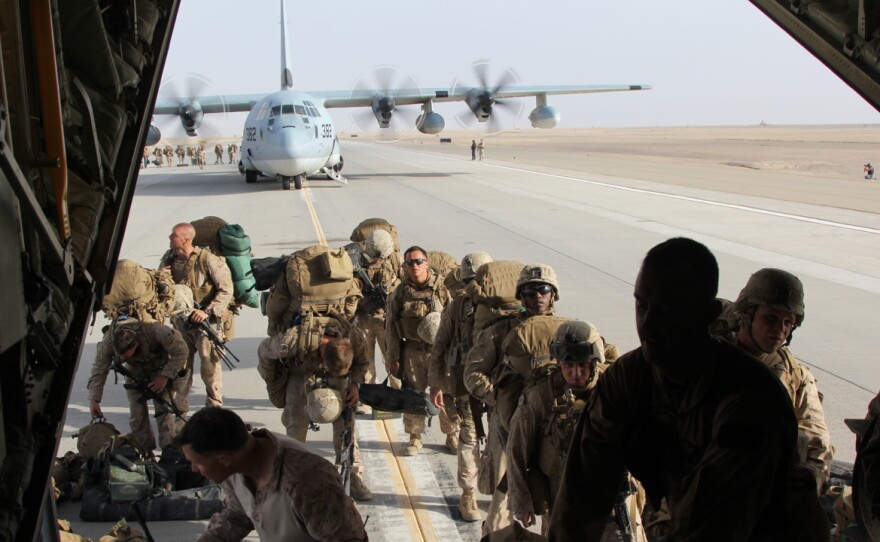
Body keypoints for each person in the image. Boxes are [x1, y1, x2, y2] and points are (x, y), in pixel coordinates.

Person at [548, 237, 829, 542]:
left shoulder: (752, 397)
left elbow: (718, 525)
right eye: (642, 305)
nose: (649, 324)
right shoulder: (629, 377)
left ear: (706, 315)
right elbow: (581, 497)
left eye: (669, 311)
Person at [507, 320, 647, 540]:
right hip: (562, 496)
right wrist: (521, 499)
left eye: (583, 365)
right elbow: (517, 447)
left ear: (594, 363)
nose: (576, 373)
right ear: (559, 363)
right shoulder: (541, 395)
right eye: (568, 366)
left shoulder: (614, 388)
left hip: (612, 494)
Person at [464, 263, 564, 537]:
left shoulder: (565, 330)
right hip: (508, 430)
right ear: (521, 295)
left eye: (544, 289)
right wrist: (497, 396)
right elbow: (472, 373)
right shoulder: (499, 331)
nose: (538, 296)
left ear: (553, 294)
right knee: (501, 506)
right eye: (530, 291)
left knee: (556, 509)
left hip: (552, 431)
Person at [178, 407, 368, 542]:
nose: (194, 469)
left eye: (197, 463)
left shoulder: (307, 480)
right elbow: (238, 516)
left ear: (224, 459)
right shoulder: (235, 467)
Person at [729, 268, 832, 492]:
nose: (780, 329)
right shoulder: (709, 357)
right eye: (771, 319)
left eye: (788, 322)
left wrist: (808, 479)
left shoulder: (796, 376)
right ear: (747, 314)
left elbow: (817, 446)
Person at [256, 315, 374, 501]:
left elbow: (362, 361)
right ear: (322, 354)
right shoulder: (293, 340)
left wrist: (355, 384)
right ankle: (291, 478)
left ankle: (352, 475)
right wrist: (273, 380)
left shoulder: (352, 337)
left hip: (338, 379)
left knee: (346, 425)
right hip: (301, 375)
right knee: (296, 427)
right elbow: (263, 350)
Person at [427, 251, 494, 522]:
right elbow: (440, 345)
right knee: (469, 438)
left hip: (500, 384)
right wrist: (436, 383)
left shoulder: (506, 305)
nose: (472, 286)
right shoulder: (456, 307)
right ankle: (468, 492)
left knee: (505, 440)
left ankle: (506, 493)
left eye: (476, 280)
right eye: (467, 281)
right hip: (466, 384)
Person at [385, 246, 456, 456]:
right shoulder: (399, 293)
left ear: (426, 263)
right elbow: (391, 328)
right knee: (413, 395)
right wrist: (394, 359)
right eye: (409, 263)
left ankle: (452, 434)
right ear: (405, 266)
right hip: (412, 351)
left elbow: (455, 321)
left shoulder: (443, 289)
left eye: (418, 261)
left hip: (439, 351)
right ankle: (415, 438)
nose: (414, 266)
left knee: (445, 394)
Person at [87, 319, 189, 453]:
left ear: (136, 344)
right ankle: (145, 452)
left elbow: (181, 351)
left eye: (124, 355)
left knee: (163, 413)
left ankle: (169, 451)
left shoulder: (156, 330)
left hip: (159, 369)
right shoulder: (109, 341)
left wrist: (165, 376)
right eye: (119, 356)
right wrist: (94, 399)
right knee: (137, 417)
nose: (121, 359)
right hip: (133, 372)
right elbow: (99, 369)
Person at [161, 223, 234, 408]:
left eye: (174, 235)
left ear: (187, 239)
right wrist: (160, 277)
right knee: (181, 367)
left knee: (210, 368)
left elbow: (226, 290)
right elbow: (160, 291)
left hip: (206, 324)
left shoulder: (207, 259)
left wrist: (206, 311)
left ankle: (214, 407)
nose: (170, 238)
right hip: (181, 323)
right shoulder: (169, 259)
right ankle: (180, 409)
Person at [353, 229, 401, 392]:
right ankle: (369, 396)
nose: (378, 260)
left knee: (392, 358)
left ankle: (398, 393)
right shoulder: (356, 259)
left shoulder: (395, 260)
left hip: (385, 319)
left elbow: (404, 283)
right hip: (363, 317)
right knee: (365, 361)